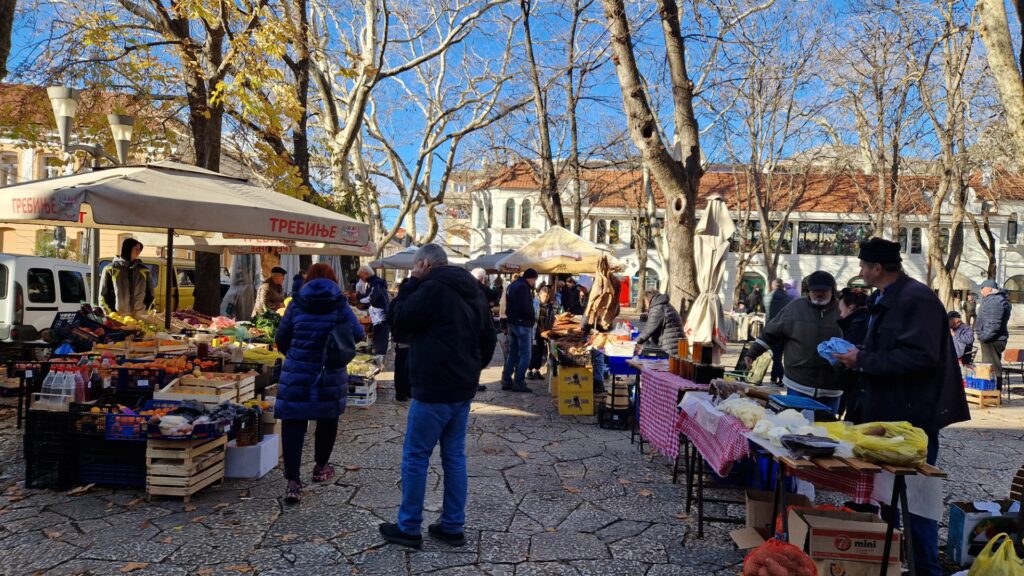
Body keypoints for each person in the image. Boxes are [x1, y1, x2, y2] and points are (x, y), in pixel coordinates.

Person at [834, 238, 970, 576]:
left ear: (877, 268)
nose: (860, 271)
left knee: (917, 501)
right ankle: (890, 563)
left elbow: (922, 356)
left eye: (864, 266)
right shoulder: (888, 297)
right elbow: (890, 347)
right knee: (886, 497)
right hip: (889, 412)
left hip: (914, 419)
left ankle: (925, 569)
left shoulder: (916, 299)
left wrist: (862, 359)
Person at [379, 244, 496, 549]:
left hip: (433, 387)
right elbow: (489, 338)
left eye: (416, 267)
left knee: (416, 456)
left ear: (425, 264)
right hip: (462, 388)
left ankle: (408, 528)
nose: (414, 271)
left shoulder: (430, 288)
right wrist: (471, 370)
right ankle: (452, 526)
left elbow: (399, 319)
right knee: (454, 457)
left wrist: (411, 283)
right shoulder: (474, 289)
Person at [275, 263, 365, 503]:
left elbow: (281, 339)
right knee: (327, 419)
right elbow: (359, 334)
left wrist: (296, 354)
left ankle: (293, 482)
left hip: (297, 371)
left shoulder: (295, 303)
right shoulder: (339, 305)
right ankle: (321, 468)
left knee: (293, 421)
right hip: (329, 372)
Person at [744, 270, 843, 411]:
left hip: (832, 387)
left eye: (823, 291)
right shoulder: (795, 307)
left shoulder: (842, 310)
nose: (818, 294)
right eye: (814, 291)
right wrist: (752, 353)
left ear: (832, 291)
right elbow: (771, 332)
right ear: (808, 291)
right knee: (796, 426)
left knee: (829, 430)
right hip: (798, 383)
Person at [502, 269, 538, 393]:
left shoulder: (512, 285)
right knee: (526, 354)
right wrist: (532, 318)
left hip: (512, 322)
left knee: (513, 352)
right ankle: (519, 382)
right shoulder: (523, 287)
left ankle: (507, 380)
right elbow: (525, 307)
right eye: (534, 280)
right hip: (522, 324)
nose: (534, 283)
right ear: (531, 278)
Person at [836, 287, 869, 419]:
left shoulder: (856, 326)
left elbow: (850, 362)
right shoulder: (868, 320)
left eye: (841, 310)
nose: (840, 315)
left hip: (858, 392)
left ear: (851, 307)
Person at [100, 238, 154, 317]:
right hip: (118, 317)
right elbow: (103, 295)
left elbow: (151, 295)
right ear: (127, 248)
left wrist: (146, 313)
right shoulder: (110, 269)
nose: (138, 251)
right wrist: (110, 314)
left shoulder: (144, 270)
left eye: (140, 249)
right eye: (136, 248)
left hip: (141, 317)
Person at [976, 279, 1011, 388]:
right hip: (992, 338)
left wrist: (984, 337)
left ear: (989, 289)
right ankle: (990, 391)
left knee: (993, 367)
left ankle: (995, 391)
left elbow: (993, 324)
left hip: (993, 339)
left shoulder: (994, 301)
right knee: (989, 366)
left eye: (982, 288)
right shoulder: (993, 300)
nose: (981, 291)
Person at [635, 289, 683, 355]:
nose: (645, 305)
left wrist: (634, 341)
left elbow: (648, 331)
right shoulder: (665, 305)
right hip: (675, 345)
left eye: (645, 302)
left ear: (648, 300)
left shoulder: (658, 308)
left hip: (669, 348)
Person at [357, 265, 390, 359]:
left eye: (360, 276)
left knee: (380, 340)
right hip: (378, 315)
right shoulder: (373, 283)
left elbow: (370, 299)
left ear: (366, 273)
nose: (360, 278)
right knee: (378, 339)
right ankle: (378, 358)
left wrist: (359, 298)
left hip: (381, 316)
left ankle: (379, 362)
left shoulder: (375, 283)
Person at [765, 279, 794, 384]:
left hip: (771, 330)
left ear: (773, 285)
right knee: (778, 354)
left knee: (776, 355)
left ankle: (781, 376)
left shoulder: (767, 297)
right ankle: (774, 375)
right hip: (785, 330)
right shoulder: (790, 298)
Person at [388, 278, 412, 402]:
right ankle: (406, 391)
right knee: (408, 365)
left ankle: (401, 392)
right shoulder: (413, 301)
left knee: (401, 365)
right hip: (410, 338)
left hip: (400, 338)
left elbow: (389, 318)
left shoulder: (396, 301)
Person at [527, 285, 555, 381]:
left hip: (543, 332)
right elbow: (535, 319)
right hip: (534, 331)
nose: (545, 298)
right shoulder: (534, 303)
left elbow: (548, 318)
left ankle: (536, 370)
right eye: (544, 296)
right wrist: (541, 330)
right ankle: (529, 371)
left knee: (540, 351)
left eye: (547, 296)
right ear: (540, 294)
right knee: (533, 351)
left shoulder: (548, 306)